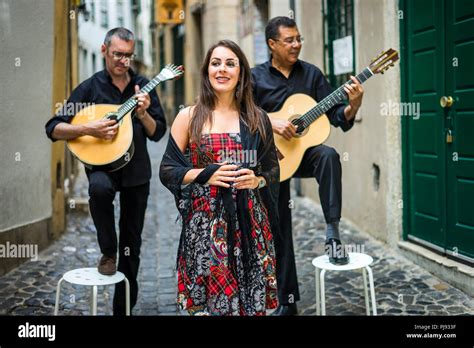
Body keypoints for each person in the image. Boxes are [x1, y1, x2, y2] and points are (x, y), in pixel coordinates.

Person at [45, 27, 167, 315]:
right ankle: (107, 250)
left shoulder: (143, 86)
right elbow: (53, 127)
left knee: (132, 244)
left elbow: (158, 132)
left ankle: (121, 309)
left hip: (137, 173)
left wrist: (143, 114)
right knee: (98, 189)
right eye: (117, 54)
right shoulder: (90, 88)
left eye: (128, 55)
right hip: (102, 166)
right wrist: (89, 128)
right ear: (104, 51)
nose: (123, 61)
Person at [251, 16, 364, 316]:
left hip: (304, 155)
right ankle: (288, 302)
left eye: (299, 38)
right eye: (289, 40)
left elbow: (337, 115)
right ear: (272, 44)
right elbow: (241, 116)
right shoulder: (254, 77)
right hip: (271, 160)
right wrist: (270, 121)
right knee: (280, 229)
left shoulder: (312, 74)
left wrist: (353, 106)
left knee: (327, 155)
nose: (297, 44)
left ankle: (332, 231)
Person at [160, 40, 280, 316]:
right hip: (204, 224)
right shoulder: (188, 117)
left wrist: (257, 181)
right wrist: (206, 175)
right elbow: (167, 170)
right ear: (207, 71)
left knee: (247, 302)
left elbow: (272, 169)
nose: (222, 69)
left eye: (230, 63)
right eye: (216, 63)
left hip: (249, 222)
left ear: (241, 73)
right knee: (210, 302)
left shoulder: (257, 118)